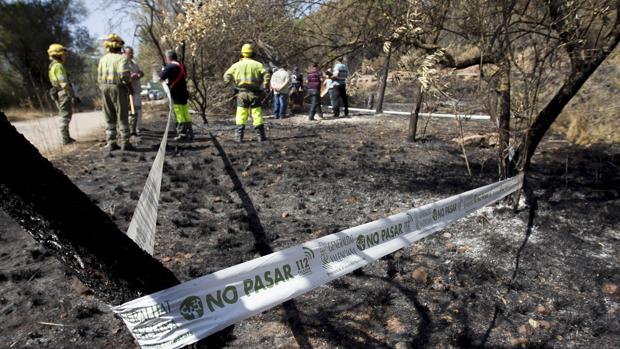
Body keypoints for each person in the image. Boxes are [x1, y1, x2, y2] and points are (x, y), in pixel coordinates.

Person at [223, 43, 271, 142]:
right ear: (252, 53)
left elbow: (226, 76)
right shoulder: (258, 65)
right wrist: (265, 85)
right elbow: (267, 74)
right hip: (255, 93)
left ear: (242, 53)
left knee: (241, 115)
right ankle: (260, 137)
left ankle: (238, 137)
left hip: (241, 93)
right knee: (257, 114)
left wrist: (233, 86)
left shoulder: (236, 65)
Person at [97, 34, 133, 151]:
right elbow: (124, 74)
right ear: (120, 46)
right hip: (118, 87)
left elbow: (98, 76)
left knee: (109, 114)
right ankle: (125, 142)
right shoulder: (122, 58)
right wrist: (129, 85)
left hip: (104, 87)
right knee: (122, 114)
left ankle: (111, 141)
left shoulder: (103, 59)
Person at [160, 50, 193, 141]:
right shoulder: (182, 66)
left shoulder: (170, 66)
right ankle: (190, 132)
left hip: (176, 93)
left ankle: (182, 133)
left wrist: (163, 68)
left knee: (178, 113)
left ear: (168, 58)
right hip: (183, 92)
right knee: (185, 112)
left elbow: (161, 77)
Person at [47, 43, 75, 145]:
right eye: (64, 54)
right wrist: (72, 94)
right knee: (65, 115)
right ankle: (65, 139)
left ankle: (67, 138)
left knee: (65, 114)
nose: (65, 56)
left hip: (58, 92)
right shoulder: (58, 66)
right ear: (58, 54)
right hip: (63, 93)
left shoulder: (52, 65)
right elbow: (63, 82)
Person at [124, 46, 144, 136]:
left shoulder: (134, 63)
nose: (132, 54)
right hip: (128, 92)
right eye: (129, 53)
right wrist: (131, 76)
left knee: (138, 110)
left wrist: (139, 74)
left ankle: (138, 127)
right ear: (124, 53)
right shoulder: (123, 64)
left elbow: (140, 72)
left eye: (132, 52)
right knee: (131, 112)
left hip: (137, 90)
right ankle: (131, 129)